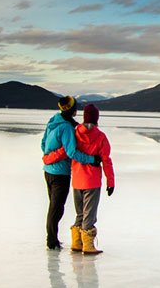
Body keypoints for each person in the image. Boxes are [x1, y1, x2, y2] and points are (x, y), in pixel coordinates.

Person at [44, 104, 114, 254]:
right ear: (96, 119)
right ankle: (88, 246)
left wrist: (48, 159)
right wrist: (111, 182)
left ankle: (77, 243)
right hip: (92, 182)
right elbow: (106, 160)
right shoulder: (101, 137)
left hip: (76, 180)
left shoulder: (75, 133)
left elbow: (66, 152)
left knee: (80, 213)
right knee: (90, 214)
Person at [41, 96, 98, 250]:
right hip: (60, 173)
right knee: (56, 208)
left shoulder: (53, 121)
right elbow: (72, 152)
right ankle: (51, 241)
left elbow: (43, 144)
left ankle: (52, 238)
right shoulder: (66, 128)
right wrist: (91, 159)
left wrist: (49, 157)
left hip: (48, 172)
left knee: (54, 207)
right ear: (74, 110)